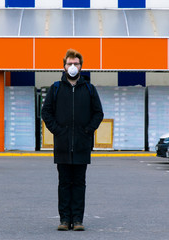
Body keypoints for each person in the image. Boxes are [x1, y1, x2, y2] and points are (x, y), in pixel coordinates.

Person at [41, 49, 104, 231]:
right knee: (64, 183)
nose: (73, 67)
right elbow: (46, 112)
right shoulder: (56, 88)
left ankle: (77, 220)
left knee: (79, 184)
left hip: (82, 145)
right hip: (62, 145)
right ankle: (64, 220)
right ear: (64, 66)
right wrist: (58, 131)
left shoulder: (89, 89)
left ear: (81, 67)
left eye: (76, 64)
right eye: (70, 64)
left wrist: (87, 131)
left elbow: (98, 113)